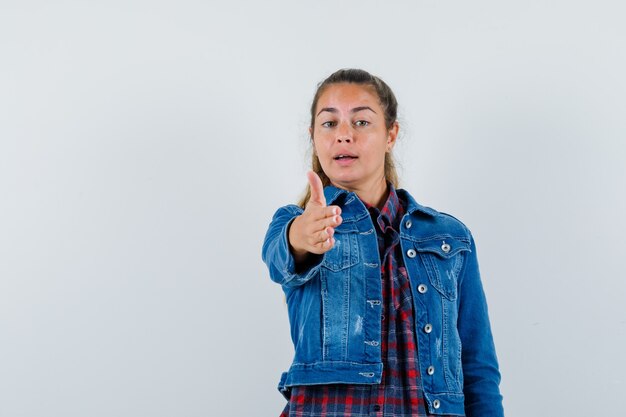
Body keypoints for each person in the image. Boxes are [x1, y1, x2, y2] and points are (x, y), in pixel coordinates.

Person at [262, 69, 504, 417]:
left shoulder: (450, 237)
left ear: (391, 135)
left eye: (361, 122)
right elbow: (281, 255)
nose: (343, 135)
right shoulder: (295, 222)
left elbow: (477, 369)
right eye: (329, 124)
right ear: (313, 136)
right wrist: (303, 236)